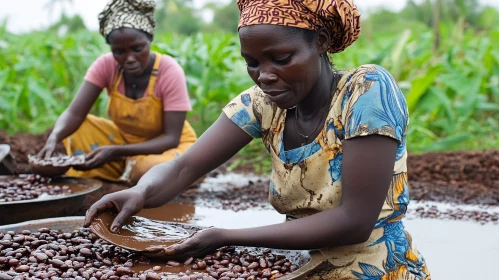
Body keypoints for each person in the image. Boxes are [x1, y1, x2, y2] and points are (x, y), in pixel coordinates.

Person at [85, 0, 431, 278]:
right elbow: (182, 167)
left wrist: (226, 237)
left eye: (281, 59)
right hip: (296, 261)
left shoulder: (367, 91)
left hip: (372, 266)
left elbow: (354, 222)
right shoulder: (262, 104)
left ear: (322, 41)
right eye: (252, 63)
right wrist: (140, 192)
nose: (264, 76)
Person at [38, 0, 197, 184]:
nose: (129, 58)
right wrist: (53, 138)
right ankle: (126, 169)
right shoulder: (106, 66)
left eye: (138, 49)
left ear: (150, 40)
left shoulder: (168, 70)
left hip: (169, 148)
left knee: (148, 170)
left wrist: (115, 151)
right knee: (78, 128)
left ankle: (132, 170)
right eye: (119, 52)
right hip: (124, 143)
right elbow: (75, 113)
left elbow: (171, 138)